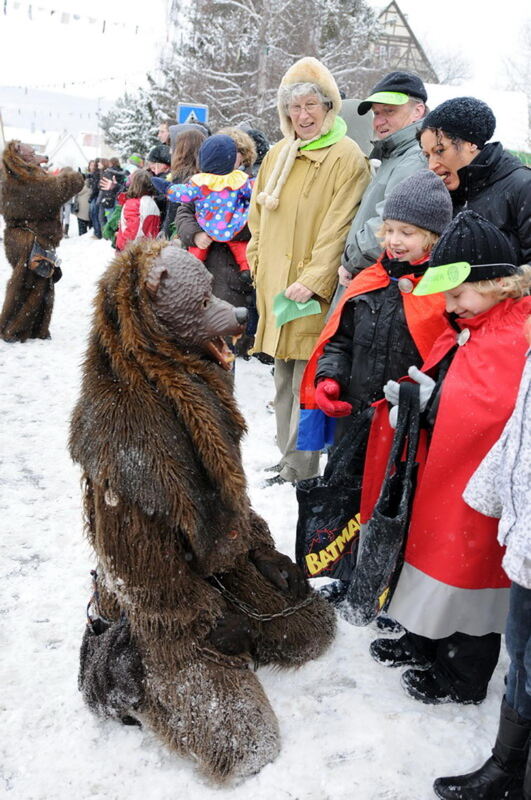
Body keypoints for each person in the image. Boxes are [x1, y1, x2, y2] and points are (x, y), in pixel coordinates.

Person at [365, 210, 531, 706]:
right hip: (442, 476)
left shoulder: (514, 334)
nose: (451, 306)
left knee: (466, 574)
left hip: (475, 491)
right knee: (434, 558)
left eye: (458, 294)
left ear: (500, 284)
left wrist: (430, 405)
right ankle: (423, 638)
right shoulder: (475, 322)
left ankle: (461, 675)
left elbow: (497, 410)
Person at [247, 56, 370, 486]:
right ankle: (288, 458)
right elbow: (256, 220)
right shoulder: (278, 153)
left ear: (329, 107)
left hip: (308, 291)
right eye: (294, 108)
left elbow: (339, 228)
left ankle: (303, 468)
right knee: (283, 374)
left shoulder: (346, 156)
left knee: (308, 379)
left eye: (311, 105)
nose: (302, 115)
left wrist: (312, 281)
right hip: (277, 289)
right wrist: (258, 265)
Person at [433, 318, 531, 796]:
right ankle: (508, 767)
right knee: (523, 653)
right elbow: (521, 427)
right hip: (526, 534)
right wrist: (487, 492)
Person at [333, 71, 428, 306]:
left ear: (418, 111)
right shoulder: (394, 155)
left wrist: (350, 261)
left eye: (390, 111)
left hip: (373, 282)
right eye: (376, 113)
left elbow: (387, 224)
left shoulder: (413, 160)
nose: (379, 121)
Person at [420, 96, 531, 263]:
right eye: (427, 155)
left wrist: (497, 286)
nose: (432, 165)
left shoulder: (523, 186)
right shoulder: (443, 194)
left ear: (471, 144)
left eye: (440, 151)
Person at [0, 140, 84, 342]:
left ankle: (32, 327)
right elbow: (56, 190)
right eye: (29, 150)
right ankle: (14, 328)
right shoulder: (24, 181)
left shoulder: (11, 178)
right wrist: (73, 176)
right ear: (22, 156)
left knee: (37, 282)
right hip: (29, 239)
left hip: (22, 237)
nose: (33, 150)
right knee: (30, 285)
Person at [167, 134, 254, 277]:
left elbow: (258, 218)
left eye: (237, 151)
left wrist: (232, 229)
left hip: (235, 278)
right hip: (205, 268)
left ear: (243, 156)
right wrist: (195, 234)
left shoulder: (247, 183)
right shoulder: (199, 182)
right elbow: (184, 215)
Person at [115, 169, 161, 251]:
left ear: (133, 185)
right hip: (148, 248)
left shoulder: (133, 204)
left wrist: (121, 247)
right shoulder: (152, 202)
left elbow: (132, 231)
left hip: (132, 252)